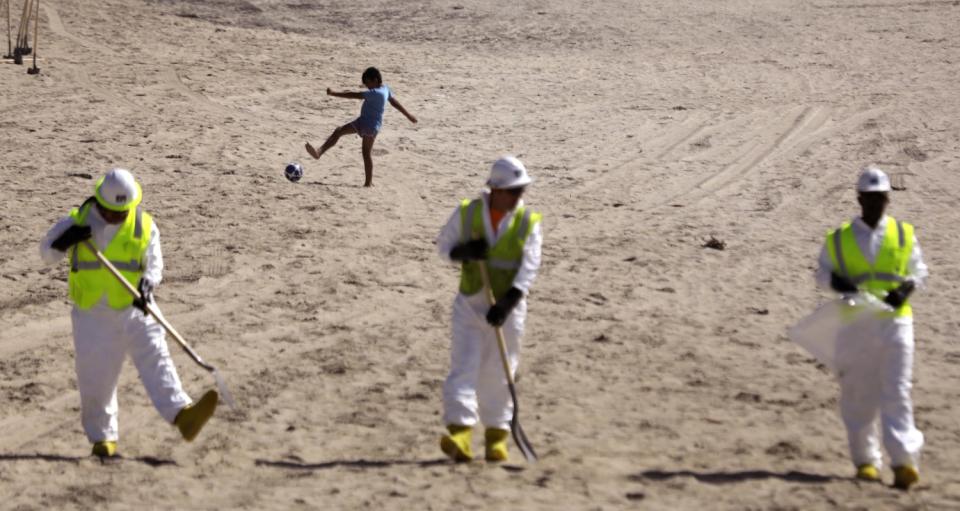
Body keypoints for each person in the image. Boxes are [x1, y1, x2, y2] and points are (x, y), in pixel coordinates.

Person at [39, 168, 218, 458]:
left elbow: (154, 264)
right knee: (96, 377)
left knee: (156, 358)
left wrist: (148, 285)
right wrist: (64, 241)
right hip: (92, 314)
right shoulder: (78, 221)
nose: (116, 218)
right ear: (99, 203)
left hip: (136, 305)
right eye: (111, 212)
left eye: (122, 212)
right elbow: (46, 254)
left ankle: (183, 416)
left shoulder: (144, 225)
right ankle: (102, 438)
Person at [815, 165, 927, 489]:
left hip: (895, 322)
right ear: (859, 198)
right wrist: (837, 281)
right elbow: (822, 273)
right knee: (858, 394)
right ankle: (866, 461)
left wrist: (906, 288)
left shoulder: (904, 234)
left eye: (881, 198)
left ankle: (904, 462)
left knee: (897, 391)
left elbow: (919, 270)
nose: (876, 204)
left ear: (887, 199)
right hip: (856, 324)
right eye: (870, 198)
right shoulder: (839, 239)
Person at [435, 156, 543, 462]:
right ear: (495, 189)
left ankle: (497, 437)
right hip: (470, 306)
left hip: (507, 313)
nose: (518, 197)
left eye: (520, 191)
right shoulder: (468, 213)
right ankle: (460, 435)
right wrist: (463, 252)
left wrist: (508, 303)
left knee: (499, 372)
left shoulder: (527, 223)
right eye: (513, 191)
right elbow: (443, 247)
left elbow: (529, 267)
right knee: (463, 368)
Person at [305, 66, 417, 187]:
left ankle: (368, 183)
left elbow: (353, 95)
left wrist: (333, 93)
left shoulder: (376, 93)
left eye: (368, 83)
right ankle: (319, 152)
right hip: (362, 121)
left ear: (375, 79)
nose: (367, 87)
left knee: (366, 153)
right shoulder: (385, 89)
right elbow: (394, 102)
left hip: (371, 126)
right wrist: (408, 115)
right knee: (339, 131)